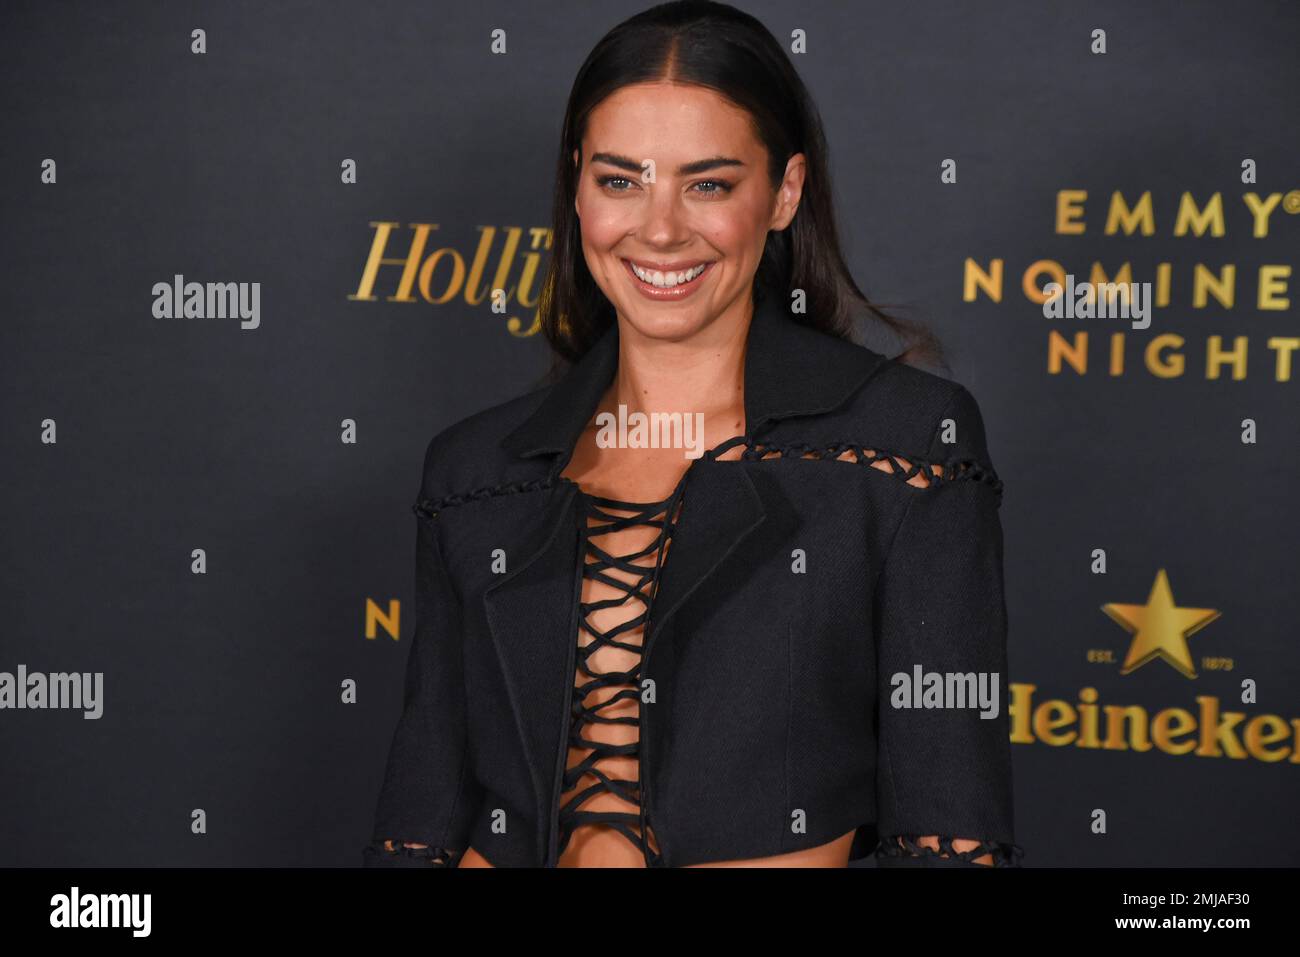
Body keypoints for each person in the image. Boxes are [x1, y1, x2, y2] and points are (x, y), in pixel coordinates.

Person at [365, 0, 1021, 868]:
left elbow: (954, 839)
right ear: (577, 184)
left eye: (707, 183)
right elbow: (420, 822)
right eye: (620, 180)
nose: (660, 228)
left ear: (783, 193)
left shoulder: (905, 446)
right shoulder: (475, 471)